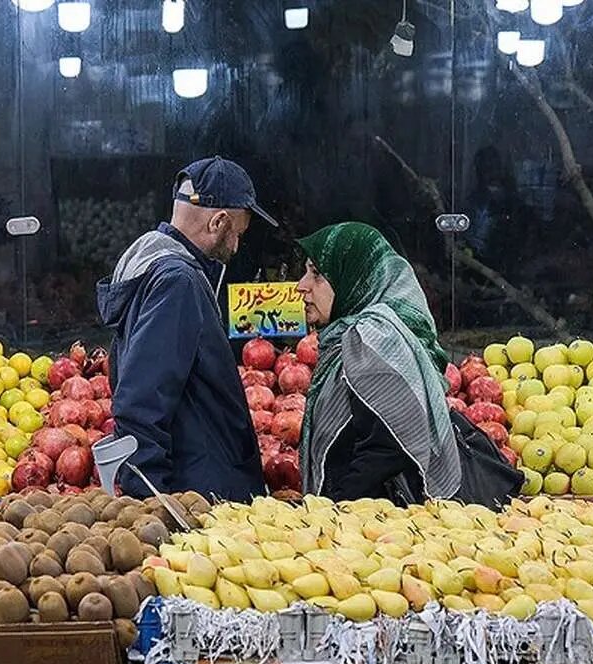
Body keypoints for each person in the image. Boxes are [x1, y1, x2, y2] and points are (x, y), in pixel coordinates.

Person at [98, 157, 277, 501]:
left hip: (194, 481)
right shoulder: (178, 282)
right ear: (219, 221)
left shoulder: (151, 264)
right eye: (238, 233)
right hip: (197, 491)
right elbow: (142, 398)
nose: (237, 246)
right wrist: (152, 500)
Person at [296, 221, 461, 503]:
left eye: (317, 274)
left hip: (375, 525)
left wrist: (340, 508)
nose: (302, 286)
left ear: (356, 279)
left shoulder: (374, 339)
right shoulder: (351, 336)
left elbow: (388, 448)